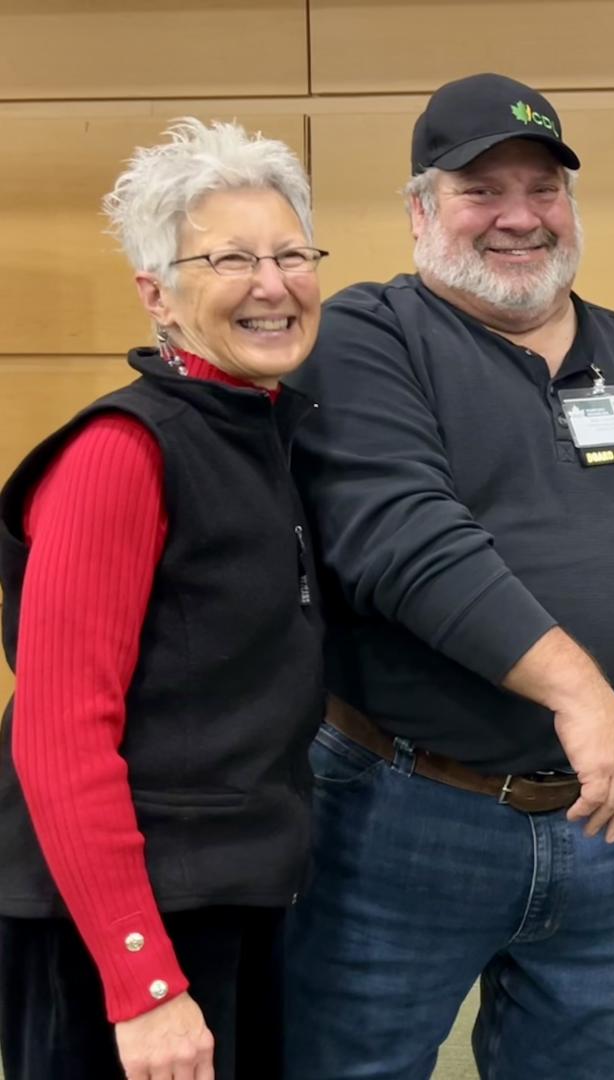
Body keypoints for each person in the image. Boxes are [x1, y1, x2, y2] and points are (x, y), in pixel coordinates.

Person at [281, 72, 614, 1079]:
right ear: (418, 210)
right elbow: (406, 539)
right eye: (481, 191)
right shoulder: (366, 338)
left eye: (543, 187)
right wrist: (583, 697)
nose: (520, 217)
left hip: (611, 824)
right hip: (405, 817)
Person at [0, 118, 326, 1080]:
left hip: (228, 900)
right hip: (115, 929)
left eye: (291, 254)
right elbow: (60, 734)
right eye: (231, 259)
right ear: (158, 294)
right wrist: (142, 981)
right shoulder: (120, 455)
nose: (273, 285)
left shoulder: (264, 430)